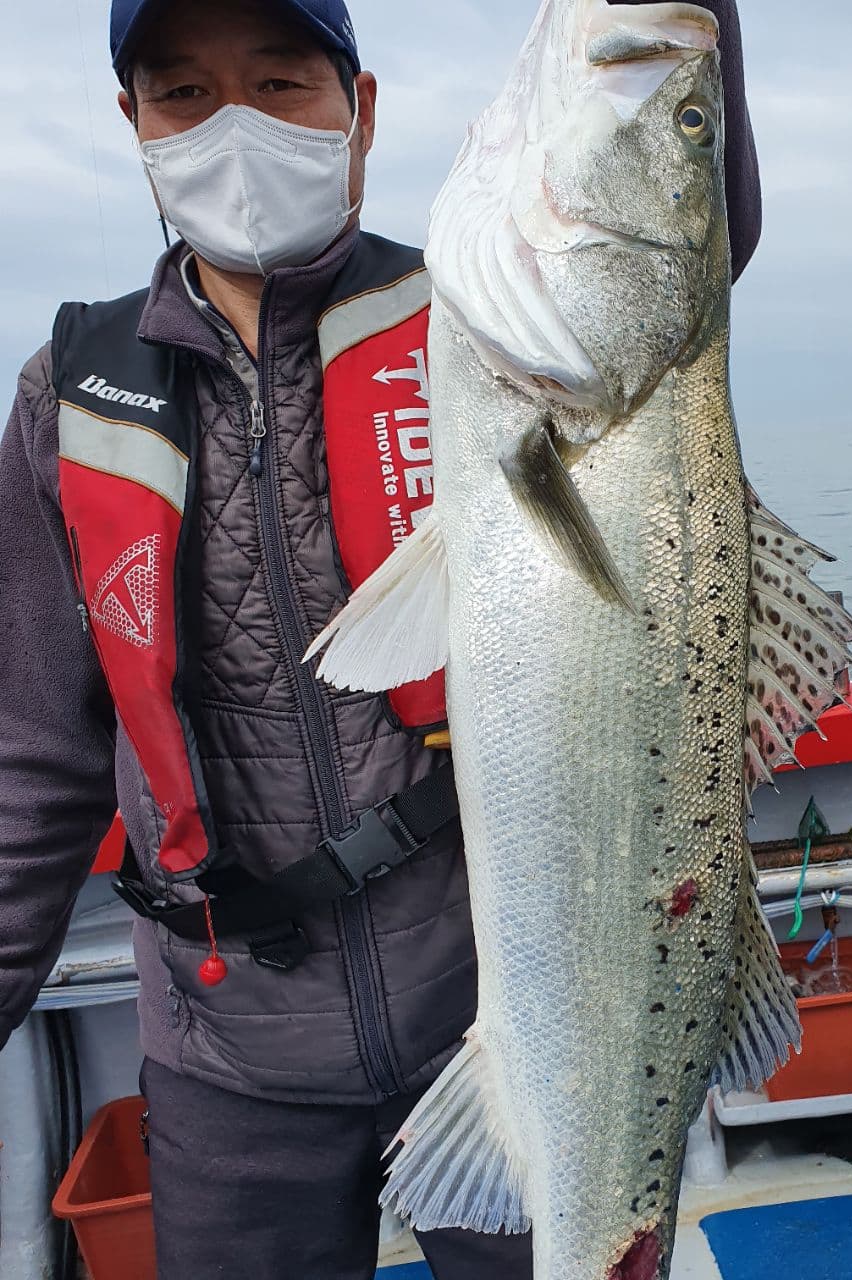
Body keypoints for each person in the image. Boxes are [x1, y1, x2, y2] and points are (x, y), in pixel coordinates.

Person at [0, 1, 760, 1276]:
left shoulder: (475, 316)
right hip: (223, 1052)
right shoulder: (69, 398)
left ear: (361, 114)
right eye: (184, 95)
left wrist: (681, 57)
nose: (235, 126)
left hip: (494, 1000)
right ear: (132, 127)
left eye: (284, 83)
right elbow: (29, 759)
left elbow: (683, 239)